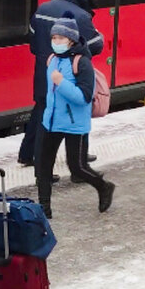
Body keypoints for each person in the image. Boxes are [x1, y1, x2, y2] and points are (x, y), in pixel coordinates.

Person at [19, 0, 104, 167]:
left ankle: (27, 154)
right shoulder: (81, 17)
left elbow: (32, 44)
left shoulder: (42, 9)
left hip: (43, 73)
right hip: (70, 77)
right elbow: (95, 46)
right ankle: (78, 161)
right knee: (76, 114)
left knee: (41, 112)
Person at [35, 17, 115, 220]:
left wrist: (61, 82)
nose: (56, 41)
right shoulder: (52, 59)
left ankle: (103, 186)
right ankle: (44, 208)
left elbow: (84, 97)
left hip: (73, 124)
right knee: (43, 166)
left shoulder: (82, 63)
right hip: (51, 121)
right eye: (54, 37)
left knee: (77, 167)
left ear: (71, 40)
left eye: (60, 37)